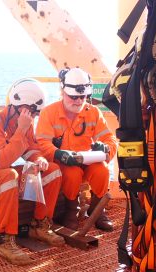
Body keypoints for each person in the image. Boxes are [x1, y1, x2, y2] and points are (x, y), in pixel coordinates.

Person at [0, 78, 65, 265]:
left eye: (36, 113)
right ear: (20, 106)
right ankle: (4, 239)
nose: (34, 117)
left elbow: (31, 150)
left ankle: (40, 225)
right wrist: (21, 128)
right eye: (32, 112)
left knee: (53, 170)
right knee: (9, 175)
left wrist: (40, 160)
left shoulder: (23, 123)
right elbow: (3, 161)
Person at [36, 67, 117, 231]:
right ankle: (71, 212)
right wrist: (58, 153)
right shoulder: (49, 113)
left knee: (102, 170)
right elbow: (42, 143)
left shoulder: (93, 112)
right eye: (73, 97)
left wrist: (106, 148)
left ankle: (97, 210)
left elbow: (110, 139)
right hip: (64, 164)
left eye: (82, 97)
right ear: (62, 92)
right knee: (72, 174)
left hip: (87, 161)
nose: (79, 101)